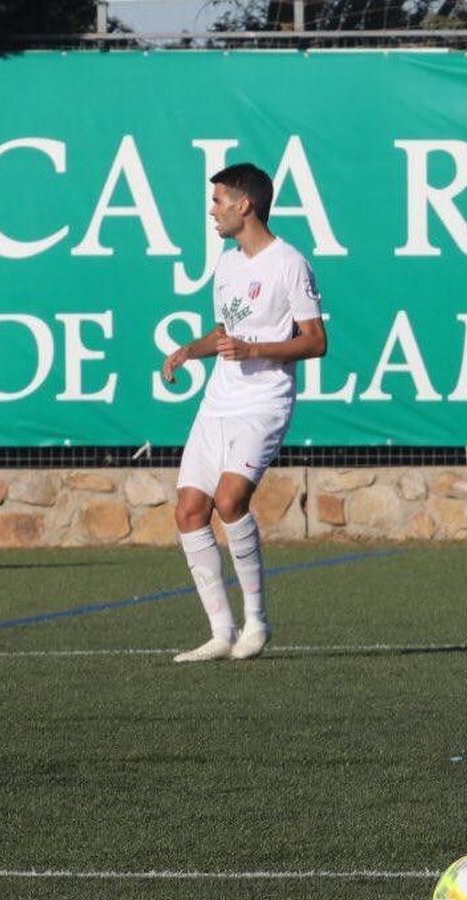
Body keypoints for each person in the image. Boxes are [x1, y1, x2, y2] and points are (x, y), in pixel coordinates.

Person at [162, 163, 326, 663]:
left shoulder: (290, 263)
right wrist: (190, 350)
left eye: (218, 201)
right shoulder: (228, 264)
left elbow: (316, 341)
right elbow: (224, 333)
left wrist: (255, 352)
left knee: (230, 501)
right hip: (219, 402)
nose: (212, 210)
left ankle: (256, 621)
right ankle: (220, 631)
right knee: (189, 510)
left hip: (264, 402)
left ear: (244, 205)